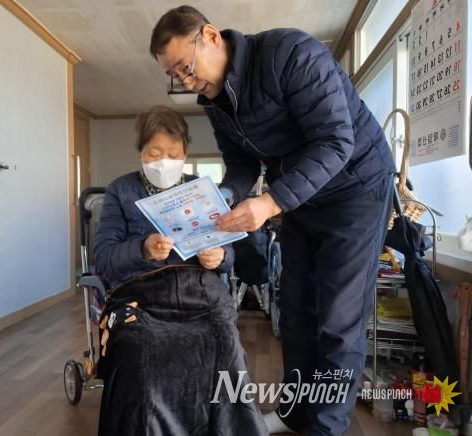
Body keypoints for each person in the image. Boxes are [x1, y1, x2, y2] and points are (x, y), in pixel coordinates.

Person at [150, 7, 396, 435]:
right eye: (175, 76)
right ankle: (295, 413)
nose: (187, 82)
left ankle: (326, 427)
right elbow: (241, 163)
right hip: (300, 196)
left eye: (186, 68)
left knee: (338, 318)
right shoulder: (215, 101)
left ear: (211, 36)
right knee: (295, 307)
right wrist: (224, 197)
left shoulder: (292, 53)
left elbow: (336, 141)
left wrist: (269, 202)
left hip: (356, 188)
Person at [93, 105, 268, 436]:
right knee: (138, 350)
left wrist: (219, 257)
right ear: (140, 152)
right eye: (154, 153)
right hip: (141, 296)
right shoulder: (121, 190)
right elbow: (104, 257)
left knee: (224, 343)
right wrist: (143, 248)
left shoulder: (202, 191)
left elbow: (229, 252)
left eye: (173, 154)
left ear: (185, 153)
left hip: (199, 291)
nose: (164, 161)